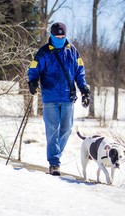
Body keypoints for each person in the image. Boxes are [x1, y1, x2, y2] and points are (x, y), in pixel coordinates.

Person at [27, 22, 90, 176]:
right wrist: (33, 81)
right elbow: (33, 69)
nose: (60, 38)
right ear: (52, 35)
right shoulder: (43, 52)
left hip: (68, 97)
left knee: (66, 130)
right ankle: (54, 163)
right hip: (50, 97)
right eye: (57, 36)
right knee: (52, 130)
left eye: (63, 36)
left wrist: (84, 90)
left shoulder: (72, 51)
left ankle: (55, 155)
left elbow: (79, 72)